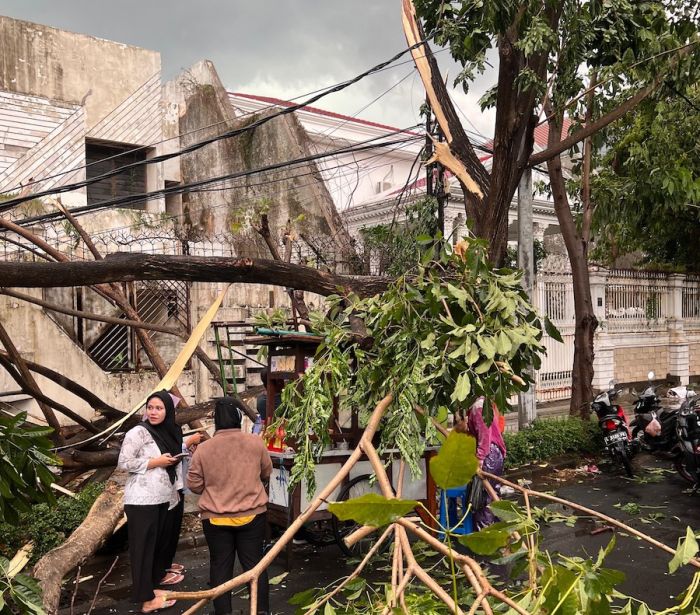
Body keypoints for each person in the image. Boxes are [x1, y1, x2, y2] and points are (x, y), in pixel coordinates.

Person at [187, 397, 273, 615]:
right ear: (238, 418)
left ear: (216, 422)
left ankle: (223, 612)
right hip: (253, 516)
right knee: (255, 567)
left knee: (220, 567)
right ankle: (260, 611)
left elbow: (195, 486)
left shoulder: (203, 450)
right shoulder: (255, 443)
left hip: (215, 519)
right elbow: (266, 472)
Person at [117, 390, 188, 613]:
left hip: (161, 498)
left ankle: (151, 589)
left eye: (159, 408)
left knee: (154, 549)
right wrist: (155, 462)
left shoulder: (166, 431)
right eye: (150, 407)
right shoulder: (138, 432)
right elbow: (123, 462)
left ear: (168, 411)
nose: (154, 412)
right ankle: (145, 600)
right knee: (142, 551)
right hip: (141, 500)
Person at [454, 396, 507, 530]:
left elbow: (485, 435)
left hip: (489, 456)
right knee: (491, 497)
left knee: (485, 499)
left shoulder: (479, 406)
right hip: (492, 454)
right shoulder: (478, 404)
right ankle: (495, 536)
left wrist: (480, 459)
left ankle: (486, 537)